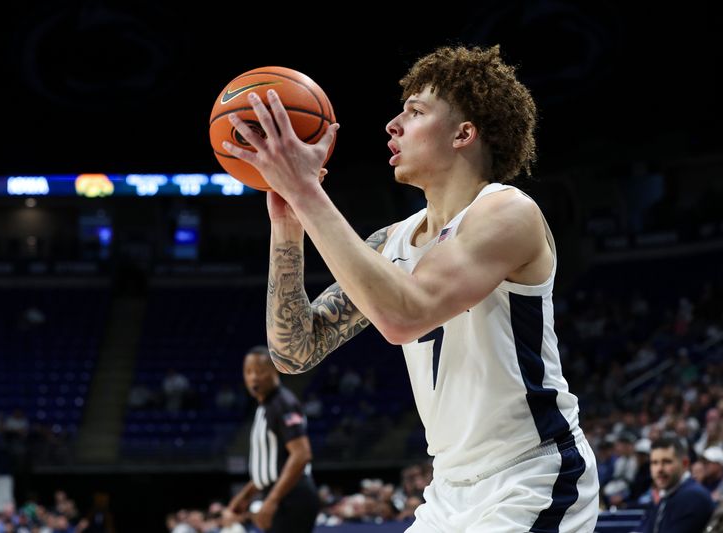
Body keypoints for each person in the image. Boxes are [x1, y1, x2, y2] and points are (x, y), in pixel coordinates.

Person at [222, 45, 599, 531]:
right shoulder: (393, 240)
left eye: (415, 111)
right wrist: (289, 228)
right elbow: (294, 352)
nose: (392, 125)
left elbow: (405, 316)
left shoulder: (508, 211)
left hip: (531, 474)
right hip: (447, 489)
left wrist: (306, 190)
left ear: (464, 134)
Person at [222, 346, 319, 532]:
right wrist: (245, 495)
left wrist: (271, 501)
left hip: (292, 496)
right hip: (280, 494)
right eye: (248, 372)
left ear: (275, 370)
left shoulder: (283, 403)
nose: (253, 378)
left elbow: (301, 455)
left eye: (260, 371)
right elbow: (272, 467)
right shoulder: (265, 407)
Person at [639, 437, 714, 532]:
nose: (659, 469)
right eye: (654, 463)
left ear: (685, 463)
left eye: (667, 462)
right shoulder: (666, 495)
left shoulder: (693, 497)